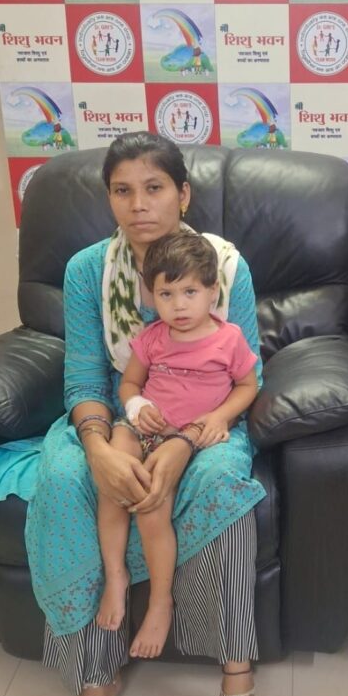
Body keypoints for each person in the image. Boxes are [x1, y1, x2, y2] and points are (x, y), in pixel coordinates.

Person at [25, 132, 271, 696]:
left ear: (183, 194)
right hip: (117, 415)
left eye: (154, 188)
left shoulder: (224, 265)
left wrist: (185, 442)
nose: (138, 204)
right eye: (123, 190)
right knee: (66, 480)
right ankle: (94, 679)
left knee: (223, 484)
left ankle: (237, 686)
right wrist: (101, 448)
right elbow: (85, 378)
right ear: (108, 198)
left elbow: (248, 373)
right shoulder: (86, 271)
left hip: (206, 421)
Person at [96, 231, 258, 662]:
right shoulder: (152, 337)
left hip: (187, 437)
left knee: (152, 507)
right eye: (167, 294)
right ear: (151, 296)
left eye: (190, 292)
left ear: (212, 291)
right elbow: (130, 384)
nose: (179, 305)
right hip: (142, 428)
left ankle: (159, 601)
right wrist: (136, 405)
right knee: (115, 477)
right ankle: (115, 576)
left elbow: (248, 386)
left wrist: (219, 417)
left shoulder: (229, 339)